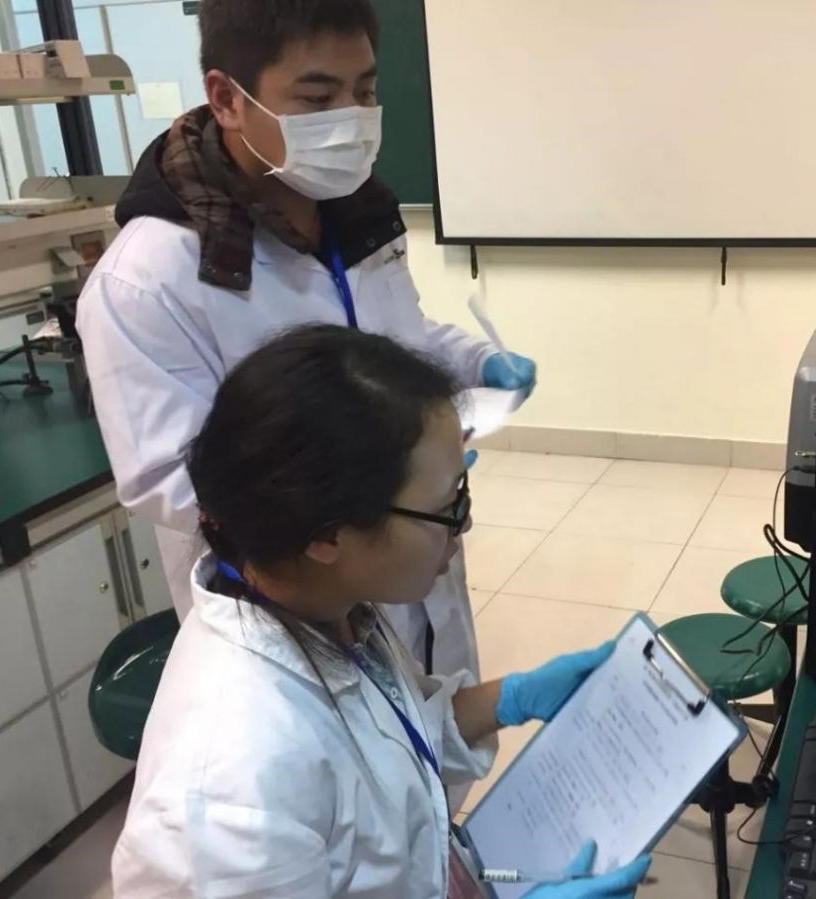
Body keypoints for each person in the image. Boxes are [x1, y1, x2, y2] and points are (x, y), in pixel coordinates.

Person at [75, 0, 531, 684]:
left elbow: (394, 341)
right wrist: (374, 486)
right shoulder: (147, 279)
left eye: (365, 92)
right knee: (350, 748)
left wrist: (473, 362)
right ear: (227, 99)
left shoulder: (358, 217)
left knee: (436, 724)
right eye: (318, 98)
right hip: (296, 628)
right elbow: (166, 478)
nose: (351, 119)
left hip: (410, 570)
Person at [113, 325, 648, 898]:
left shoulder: (323, 605)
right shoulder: (234, 791)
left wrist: (510, 699)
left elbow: (386, 741)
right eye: (447, 507)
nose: (465, 524)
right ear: (328, 536)